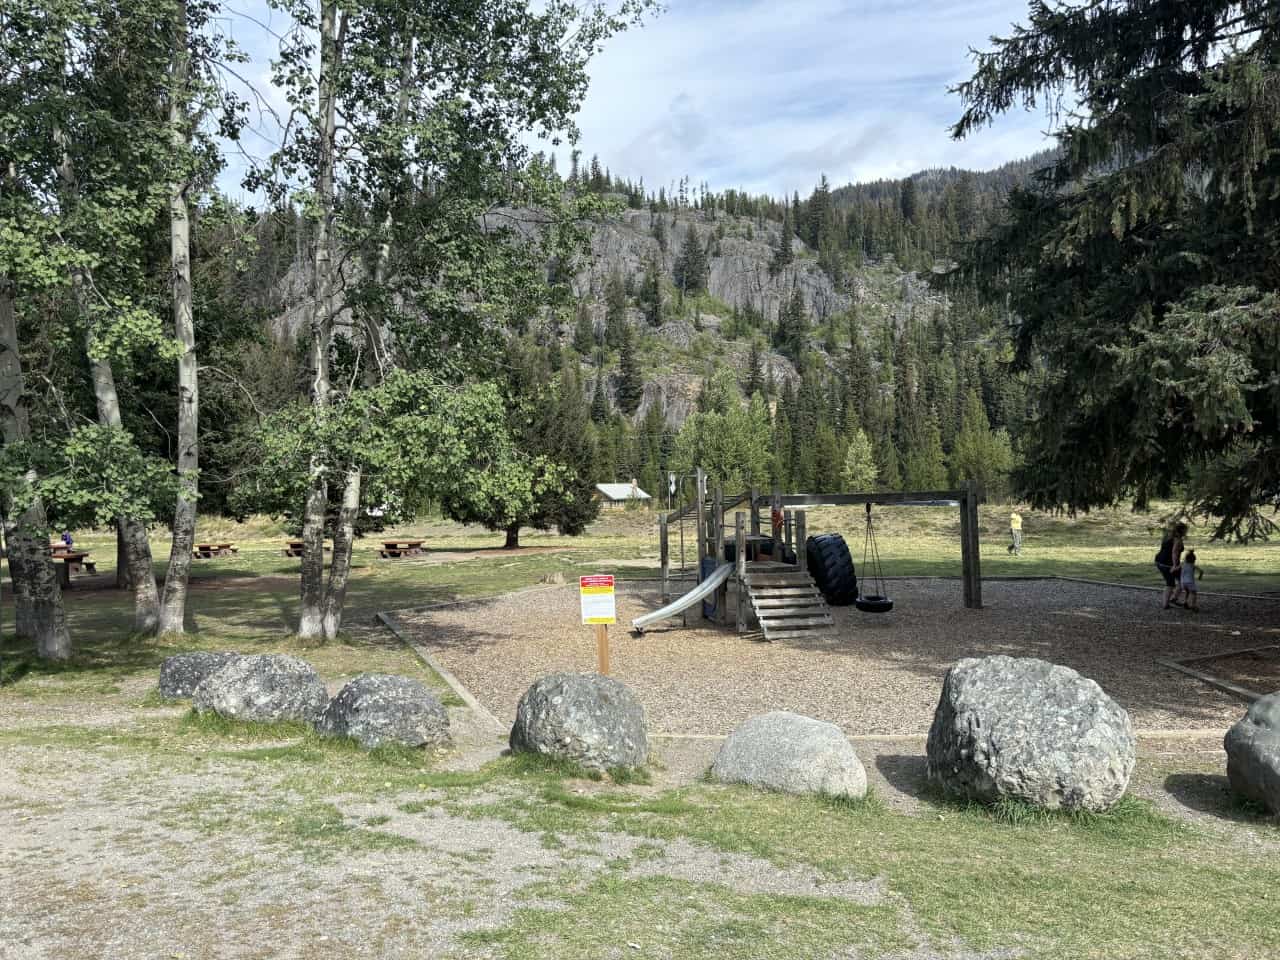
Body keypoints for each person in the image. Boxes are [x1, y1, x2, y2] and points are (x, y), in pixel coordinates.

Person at [1155, 522, 1187, 609]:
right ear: (1182, 531)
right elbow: (1174, 553)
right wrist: (1175, 565)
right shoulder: (1177, 540)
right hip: (1168, 564)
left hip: (1159, 561)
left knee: (1172, 582)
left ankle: (1168, 602)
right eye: (1185, 530)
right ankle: (1171, 600)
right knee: (1180, 581)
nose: (1186, 532)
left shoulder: (1168, 536)